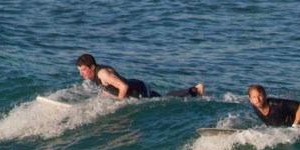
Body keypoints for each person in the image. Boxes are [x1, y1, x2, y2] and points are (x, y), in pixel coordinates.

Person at [76, 54, 205, 100]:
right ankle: (193, 91)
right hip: (135, 86)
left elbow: (123, 86)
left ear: (92, 67)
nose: (81, 74)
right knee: (163, 96)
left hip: (138, 90)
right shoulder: (96, 74)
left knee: (165, 98)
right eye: (79, 71)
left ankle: (194, 90)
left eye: (83, 70)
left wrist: (119, 104)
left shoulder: (102, 73)